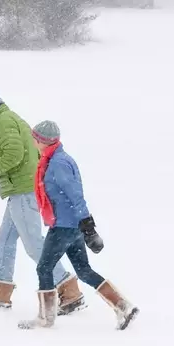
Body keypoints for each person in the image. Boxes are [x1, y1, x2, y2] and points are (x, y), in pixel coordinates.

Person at [0, 89, 85, 314]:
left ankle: (68, 289)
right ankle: (1, 292)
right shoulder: (5, 119)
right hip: (20, 189)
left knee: (33, 243)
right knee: (4, 240)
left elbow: (14, 154)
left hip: (23, 189)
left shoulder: (2, 121)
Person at [20, 120, 138, 330]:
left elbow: (75, 194)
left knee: (44, 268)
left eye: (35, 138)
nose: (33, 141)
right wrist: (82, 225)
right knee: (83, 271)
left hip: (65, 226)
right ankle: (122, 306)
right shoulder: (56, 158)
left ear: (43, 141)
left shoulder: (58, 164)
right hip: (71, 225)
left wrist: (87, 224)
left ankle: (45, 319)